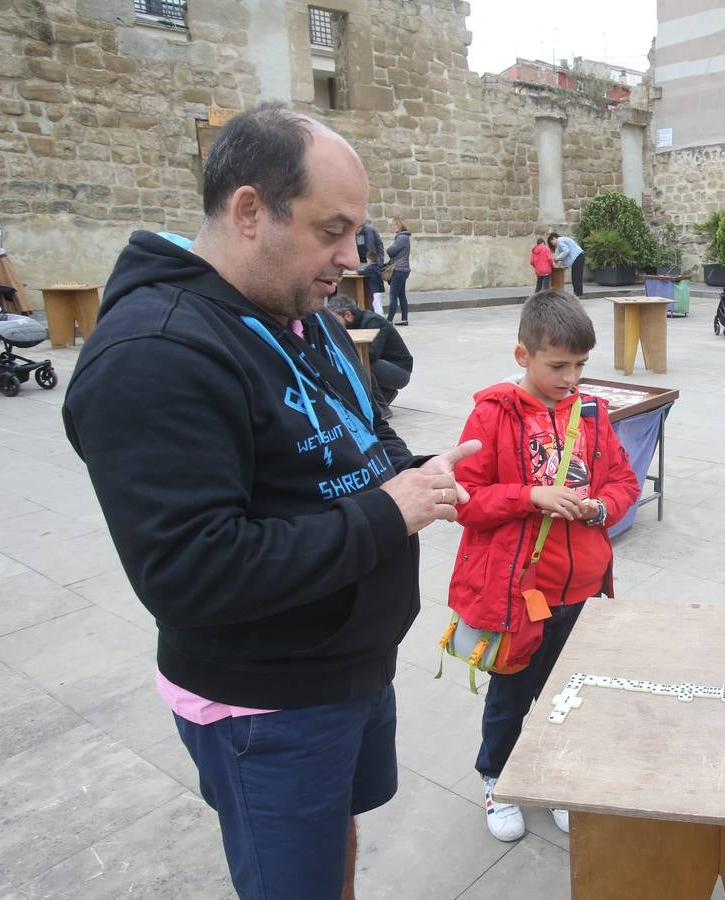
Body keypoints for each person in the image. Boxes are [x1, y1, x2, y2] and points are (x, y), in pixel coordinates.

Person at [61, 102, 479, 900]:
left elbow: (364, 428)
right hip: (264, 703)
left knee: (334, 847)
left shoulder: (295, 304)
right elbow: (192, 571)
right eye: (332, 230)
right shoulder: (154, 354)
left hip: (348, 666)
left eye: (356, 232)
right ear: (250, 210)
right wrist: (391, 512)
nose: (351, 258)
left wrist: (419, 472)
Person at [448, 289, 641, 842]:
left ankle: (554, 776)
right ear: (522, 357)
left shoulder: (592, 412)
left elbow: (623, 481)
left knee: (565, 694)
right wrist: (530, 496)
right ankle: (497, 777)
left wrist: (602, 507)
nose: (571, 377)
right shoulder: (492, 414)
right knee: (510, 696)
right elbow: (466, 501)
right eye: (558, 365)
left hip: (581, 587)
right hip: (521, 594)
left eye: (580, 365)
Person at [326, 294, 413, 419]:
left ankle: (382, 408)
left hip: (400, 371)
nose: (332, 324)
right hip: (384, 368)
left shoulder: (373, 321)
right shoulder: (351, 325)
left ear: (348, 315)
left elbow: (372, 354)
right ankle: (385, 394)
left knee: (363, 362)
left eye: (334, 319)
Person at [385, 216, 411, 326]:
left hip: (399, 269)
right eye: (392, 225)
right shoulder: (404, 237)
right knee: (401, 295)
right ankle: (404, 319)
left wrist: (389, 249)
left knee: (393, 295)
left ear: (400, 225)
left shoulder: (401, 238)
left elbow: (390, 251)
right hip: (403, 269)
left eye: (395, 225)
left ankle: (389, 321)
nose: (393, 227)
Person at [548, 231, 585, 296]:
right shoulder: (561, 242)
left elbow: (566, 251)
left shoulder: (560, 240)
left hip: (578, 257)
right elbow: (566, 257)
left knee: (576, 278)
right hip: (578, 257)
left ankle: (578, 295)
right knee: (575, 277)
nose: (553, 245)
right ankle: (577, 294)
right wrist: (561, 265)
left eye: (552, 243)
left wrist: (556, 259)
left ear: (554, 238)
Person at [357, 250, 386, 315]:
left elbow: (361, 273)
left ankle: (381, 317)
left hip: (375, 289)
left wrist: (356, 270)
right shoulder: (378, 266)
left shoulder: (370, 268)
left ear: (370, 260)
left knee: (378, 304)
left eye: (367, 259)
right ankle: (377, 316)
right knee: (375, 303)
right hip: (380, 288)